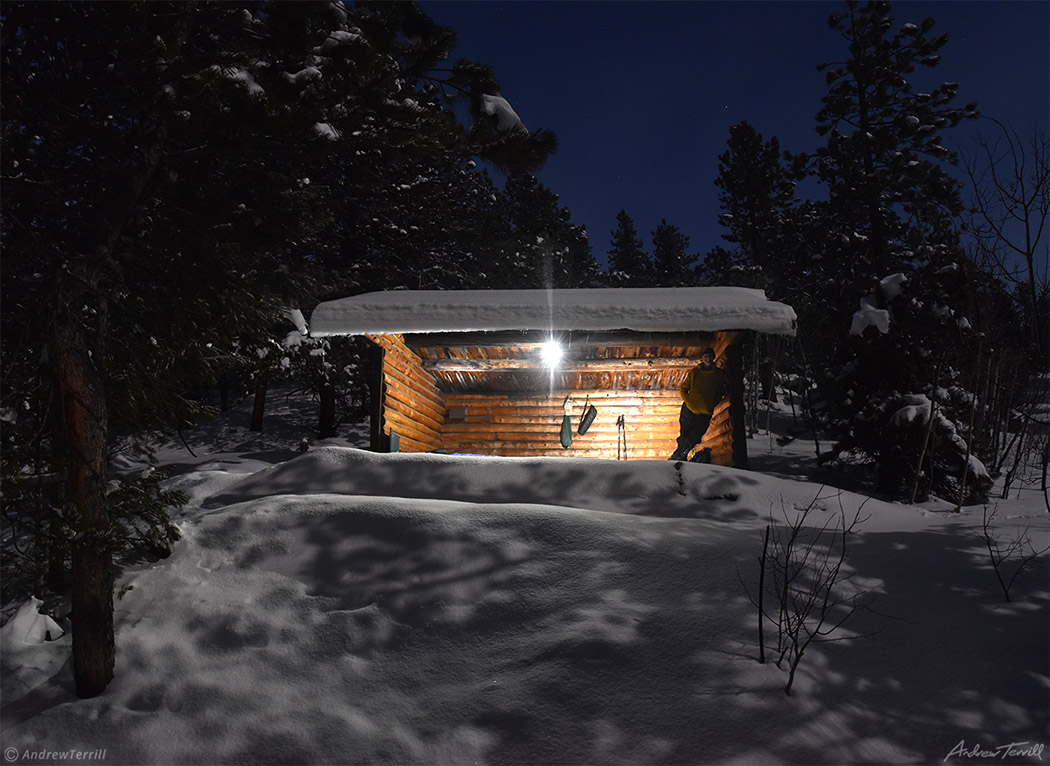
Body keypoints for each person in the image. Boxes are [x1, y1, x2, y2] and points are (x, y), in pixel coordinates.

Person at [670, 347, 725, 461]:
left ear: (713, 358)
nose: (707, 359)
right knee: (684, 434)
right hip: (689, 408)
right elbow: (683, 388)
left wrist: (711, 404)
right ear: (702, 358)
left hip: (704, 412)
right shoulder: (695, 372)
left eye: (710, 356)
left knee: (695, 437)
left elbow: (719, 392)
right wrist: (688, 400)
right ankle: (681, 456)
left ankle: (679, 455)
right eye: (705, 356)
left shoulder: (718, 374)